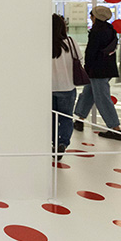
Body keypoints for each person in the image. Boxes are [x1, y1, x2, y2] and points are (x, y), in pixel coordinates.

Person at [73, 6, 121, 140]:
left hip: (97, 69)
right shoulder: (110, 29)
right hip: (106, 67)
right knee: (88, 93)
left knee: (102, 98)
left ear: (95, 17)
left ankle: (115, 128)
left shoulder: (97, 31)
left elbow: (91, 51)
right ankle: (80, 119)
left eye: (91, 15)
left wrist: (86, 67)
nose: (90, 17)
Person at [51, 14, 81, 158]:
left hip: (49, 88)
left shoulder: (44, 44)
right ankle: (62, 143)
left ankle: (52, 142)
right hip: (68, 87)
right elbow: (80, 59)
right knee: (66, 117)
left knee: (49, 117)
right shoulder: (71, 42)